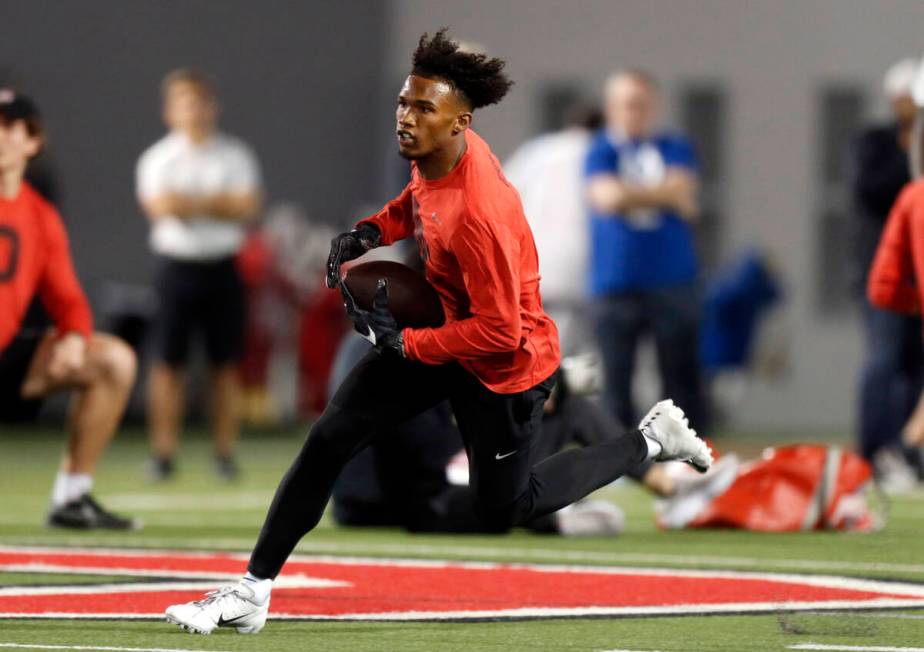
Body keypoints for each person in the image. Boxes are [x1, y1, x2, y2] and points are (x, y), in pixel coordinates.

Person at [163, 30, 712, 635]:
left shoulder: (479, 214)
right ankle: (253, 590)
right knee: (331, 437)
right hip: (448, 329)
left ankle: (648, 442)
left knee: (506, 504)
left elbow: (500, 331)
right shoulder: (446, 151)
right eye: (404, 102)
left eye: (423, 108)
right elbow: (419, 197)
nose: (406, 117)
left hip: (504, 361)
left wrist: (408, 345)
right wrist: (372, 231)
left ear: (459, 123)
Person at [0, 90, 138, 529]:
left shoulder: (39, 215)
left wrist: (75, 337)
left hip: (7, 354)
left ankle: (71, 498)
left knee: (112, 360)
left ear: (32, 141)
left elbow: (68, 298)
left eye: (8, 126)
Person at [136, 69, 262, 481]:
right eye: (184, 102)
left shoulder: (236, 155)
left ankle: (224, 453)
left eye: (200, 101)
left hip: (222, 267)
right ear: (169, 111)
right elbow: (160, 207)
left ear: (213, 106)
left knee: (224, 365)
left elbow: (245, 207)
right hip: (177, 268)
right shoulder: (157, 158)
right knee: (166, 365)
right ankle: (163, 453)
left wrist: (189, 203)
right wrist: (216, 203)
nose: (193, 110)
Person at [584, 70, 706, 433]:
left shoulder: (674, 145)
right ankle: (620, 460)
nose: (634, 113)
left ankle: (687, 454)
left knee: (681, 376)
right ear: (611, 108)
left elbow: (684, 193)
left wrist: (630, 194)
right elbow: (607, 197)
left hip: (673, 279)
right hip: (616, 281)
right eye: (627, 105)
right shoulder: (600, 150)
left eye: (641, 104)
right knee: (617, 379)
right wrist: (662, 193)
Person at [852, 58, 923, 488]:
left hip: (902, 281)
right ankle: (882, 452)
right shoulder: (879, 143)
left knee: (913, 368)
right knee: (885, 362)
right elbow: (870, 192)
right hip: (898, 278)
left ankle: (905, 451)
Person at [503, 106, 602, 355]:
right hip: (578, 270)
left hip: (529, 266)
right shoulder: (599, 154)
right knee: (568, 354)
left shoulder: (538, 151)